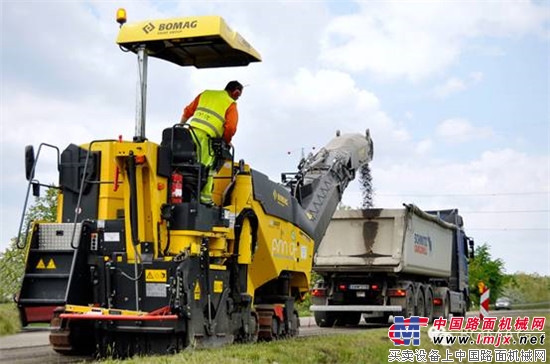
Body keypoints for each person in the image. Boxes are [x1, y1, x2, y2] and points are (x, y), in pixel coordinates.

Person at [180, 81, 243, 205]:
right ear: (236, 92)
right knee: (207, 167)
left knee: (187, 163)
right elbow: (231, 127)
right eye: (239, 96)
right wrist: (226, 141)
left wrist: (181, 127)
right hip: (207, 137)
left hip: (190, 133)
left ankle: (185, 192)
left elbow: (187, 111)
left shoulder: (206, 94)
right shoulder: (231, 104)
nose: (238, 98)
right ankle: (204, 198)